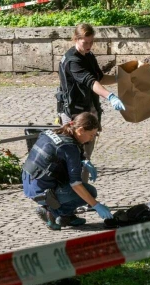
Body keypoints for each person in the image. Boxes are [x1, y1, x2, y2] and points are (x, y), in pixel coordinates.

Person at [56, 23, 125, 183]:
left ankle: (82, 194)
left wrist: (119, 78)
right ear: (76, 39)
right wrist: (110, 96)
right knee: (75, 157)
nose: (88, 46)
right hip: (73, 113)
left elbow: (99, 78)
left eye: (91, 42)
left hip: (89, 111)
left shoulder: (89, 56)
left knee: (86, 155)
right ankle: (72, 196)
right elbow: (90, 82)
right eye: (84, 42)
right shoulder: (73, 60)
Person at [22, 112, 113, 230]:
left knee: (80, 190)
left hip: (28, 182)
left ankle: (65, 215)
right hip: (42, 191)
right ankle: (53, 213)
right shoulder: (70, 148)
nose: (92, 139)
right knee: (90, 192)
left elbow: (56, 155)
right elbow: (76, 184)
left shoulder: (53, 133)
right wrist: (96, 205)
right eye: (91, 135)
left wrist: (82, 160)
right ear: (80, 130)